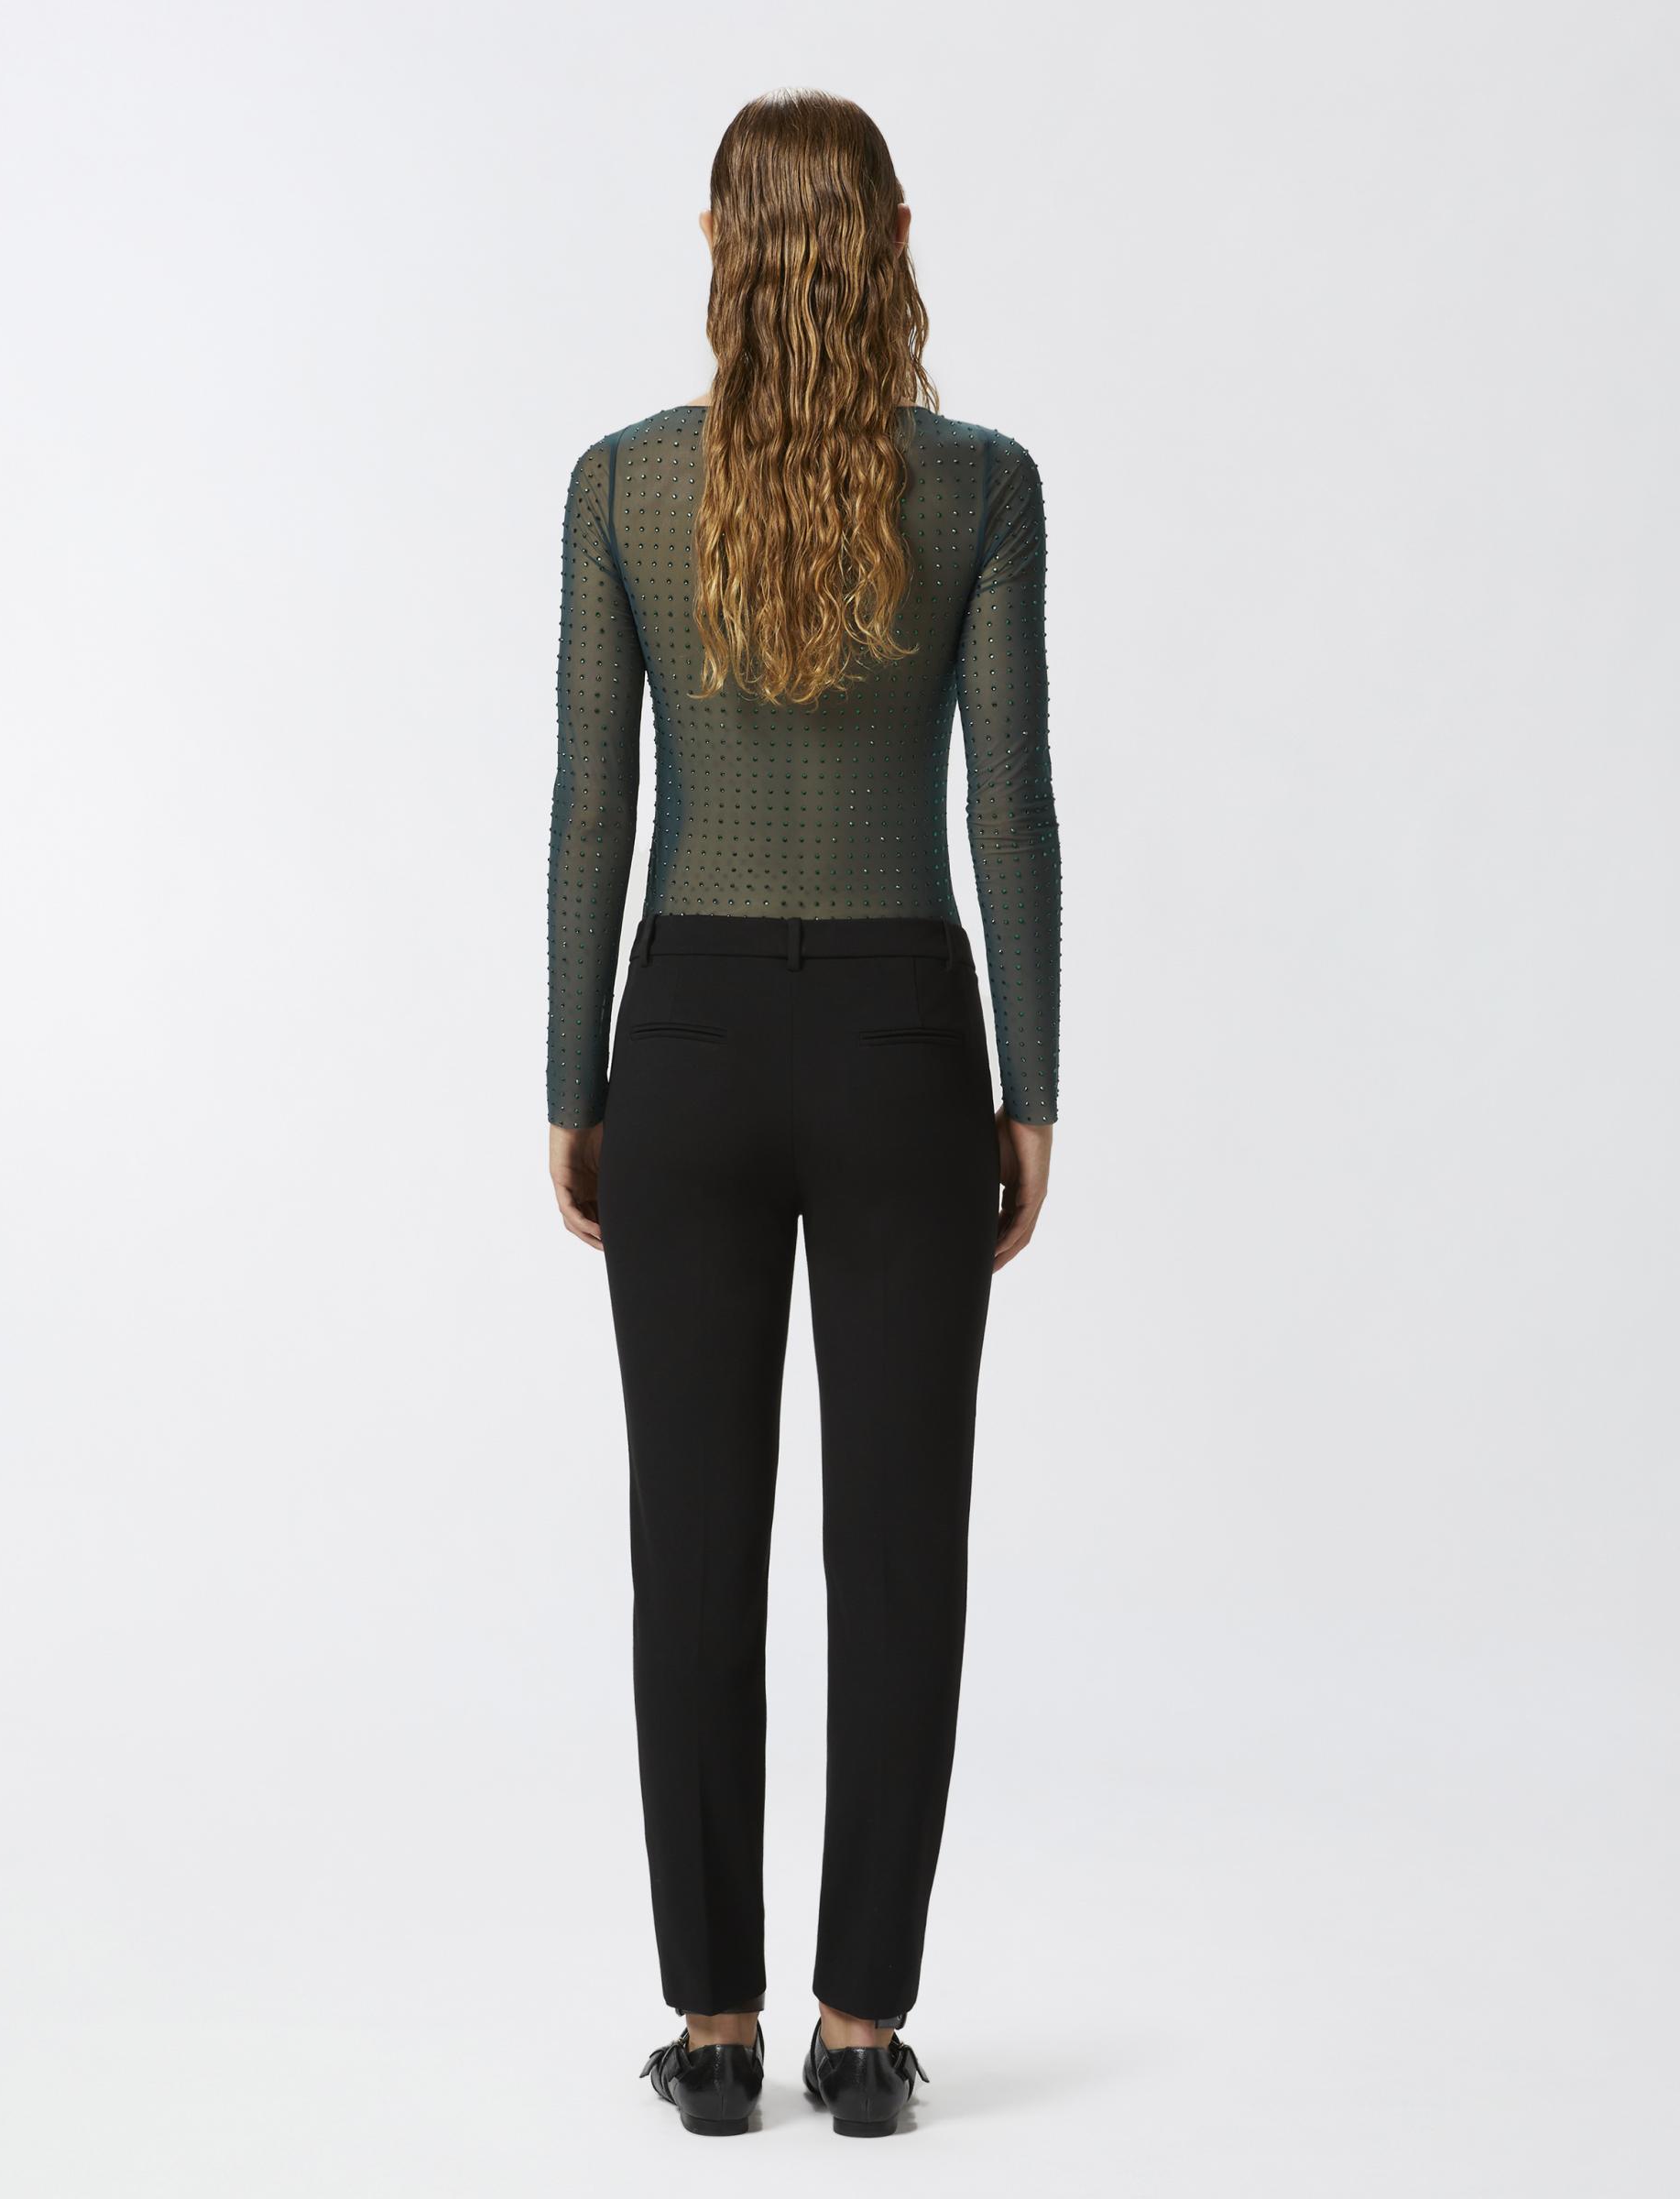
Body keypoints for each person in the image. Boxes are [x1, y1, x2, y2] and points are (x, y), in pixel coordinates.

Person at [545, 88, 1060, 2139]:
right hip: (906, 1047)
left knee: (692, 1543)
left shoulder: (622, 487)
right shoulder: (983, 487)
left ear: (711, 246)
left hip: (676, 1044)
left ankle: (710, 2027)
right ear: (900, 238)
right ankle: (858, 2028)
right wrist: (1033, 1084)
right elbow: (1007, 808)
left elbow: (594, 806)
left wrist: (570, 1079)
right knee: (900, 1540)